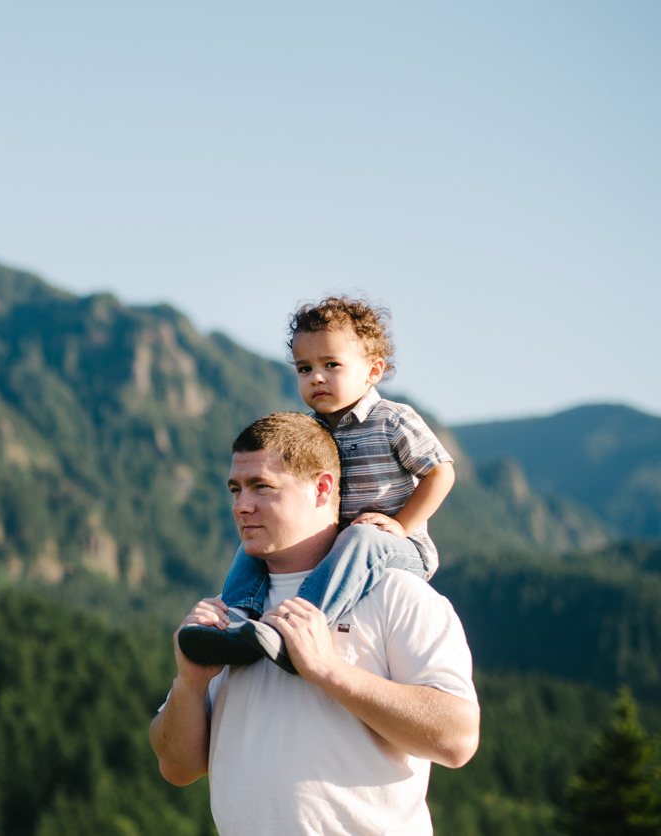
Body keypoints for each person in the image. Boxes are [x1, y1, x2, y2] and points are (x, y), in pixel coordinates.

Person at [150, 413, 479, 835]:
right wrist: (190, 683)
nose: (241, 505)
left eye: (261, 487)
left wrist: (329, 671)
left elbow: (457, 740)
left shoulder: (398, 595)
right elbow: (176, 767)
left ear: (322, 488)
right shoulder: (232, 612)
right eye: (235, 489)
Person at [180, 295, 456, 672]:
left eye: (331, 365)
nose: (317, 377)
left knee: (362, 539)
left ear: (373, 371)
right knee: (255, 543)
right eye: (304, 368)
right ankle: (236, 621)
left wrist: (401, 526)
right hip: (340, 544)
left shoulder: (392, 419)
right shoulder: (312, 429)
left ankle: (298, 628)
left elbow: (441, 473)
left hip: (397, 546)